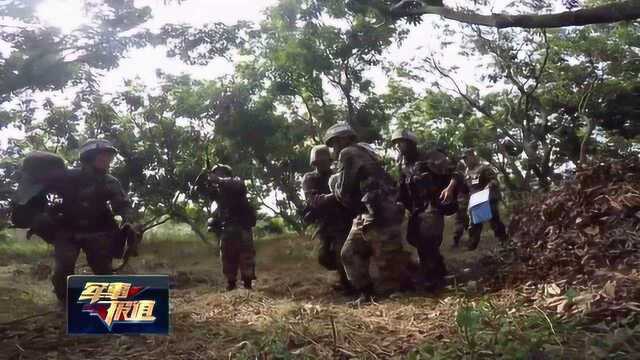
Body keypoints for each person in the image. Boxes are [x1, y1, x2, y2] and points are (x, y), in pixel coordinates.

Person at [11, 140, 134, 303]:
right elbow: (39, 194)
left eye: (109, 157)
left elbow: (122, 205)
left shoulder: (110, 181)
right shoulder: (64, 178)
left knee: (103, 269)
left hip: (98, 231)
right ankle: (65, 304)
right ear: (89, 158)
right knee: (63, 269)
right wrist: (38, 217)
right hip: (67, 231)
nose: (107, 161)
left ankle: (107, 305)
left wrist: (128, 220)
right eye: (103, 156)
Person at [324, 122, 413, 304]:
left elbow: (344, 191)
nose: (333, 148)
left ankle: (399, 291)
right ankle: (367, 293)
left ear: (343, 140)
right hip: (371, 212)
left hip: (378, 212)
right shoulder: (366, 152)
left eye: (333, 143)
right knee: (351, 252)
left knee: (387, 255)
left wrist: (333, 183)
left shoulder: (348, 153)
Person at [392, 130, 457, 291]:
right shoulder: (403, 165)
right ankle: (438, 269)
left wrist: (449, 188)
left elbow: (456, 172)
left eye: (402, 142)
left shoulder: (430, 157)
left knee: (428, 239)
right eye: (396, 143)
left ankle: (434, 278)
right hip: (416, 208)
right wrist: (398, 203)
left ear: (411, 143)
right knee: (415, 239)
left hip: (432, 205)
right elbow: (401, 189)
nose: (398, 146)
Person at [301, 145, 354, 293]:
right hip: (324, 222)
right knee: (324, 257)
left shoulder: (338, 174)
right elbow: (314, 201)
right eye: (320, 161)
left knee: (341, 253)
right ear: (315, 163)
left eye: (326, 161)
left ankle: (350, 285)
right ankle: (347, 278)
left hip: (342, 220)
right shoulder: (310, 178)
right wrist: (336, 195)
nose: (324, 164)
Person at [199, 165, 257, 291]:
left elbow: (238, 186)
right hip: (227, 229)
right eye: (215, 174)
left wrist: (219, 180)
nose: (217, 176)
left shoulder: (236, 181)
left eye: (219, 173)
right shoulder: (219, 191)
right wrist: (205, 180)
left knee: (246, 256)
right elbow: (205, 193)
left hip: (242, 228)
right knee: (227, 258)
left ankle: (248, 285)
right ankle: (231, 284)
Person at [461, 148, 508, 250]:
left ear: (473, 157)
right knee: (475, 223)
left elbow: (494, 181)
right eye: (464, 159)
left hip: (489, 198)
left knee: (494, 220)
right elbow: (466, 188)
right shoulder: (467, 172)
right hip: (476, 200)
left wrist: (487, 188)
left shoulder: (484, 168)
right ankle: (472, 245)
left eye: (467, 158)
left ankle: (503, 240)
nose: (465, 161)